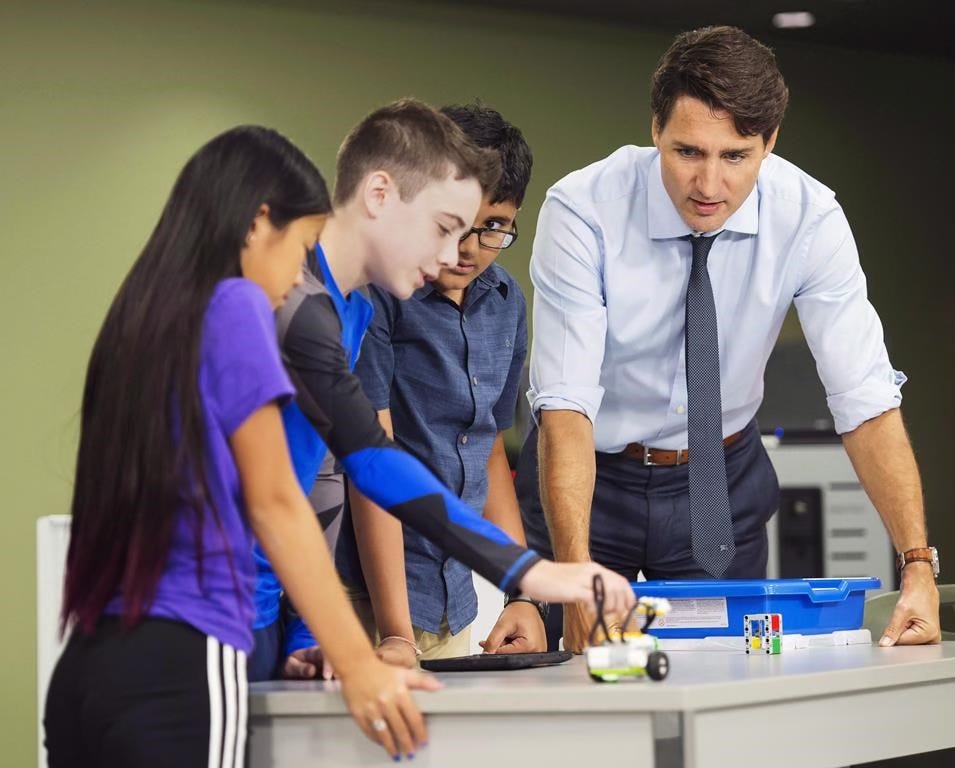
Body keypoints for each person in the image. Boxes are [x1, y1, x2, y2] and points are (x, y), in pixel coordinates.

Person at [515, 26, 941, 653]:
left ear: (769, 143)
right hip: (586, 481)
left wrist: (917, 565)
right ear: (655, 129)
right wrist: (576, 579)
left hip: (717, 484)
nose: (709, 185)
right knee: (569, 690)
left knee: (720, 688)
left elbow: (865, 399)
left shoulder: (810, 217)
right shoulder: (583, 210)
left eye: (735, 156)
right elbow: (566, 405)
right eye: (688, 151)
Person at [43, 125, 444, 766]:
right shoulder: (237, 304)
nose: (294, 282)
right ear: (260, 222)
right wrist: (357, 662)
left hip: (90, 666)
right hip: (186, 660)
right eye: (301, 246)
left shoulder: (139, 317)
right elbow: (277, 500)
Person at [248, 98, 636, 681]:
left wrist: (314, 629)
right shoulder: (289, 304)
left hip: (282, 608)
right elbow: (352, 471)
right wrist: (534, 573)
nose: (455, 254)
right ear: (381, 195)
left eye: (483, 230)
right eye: (444, 228)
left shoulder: (346, 310)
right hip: (211, 616)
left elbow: (333, 474)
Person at [333, 102, 543, 668]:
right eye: (459, 224)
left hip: (456, 600)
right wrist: (396, 633)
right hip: (366, 598)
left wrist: (522, 594)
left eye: (495, 227)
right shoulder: (381, 296)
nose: (471, 247)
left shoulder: (507, 304)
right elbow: (369, 464)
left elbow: (489, 450)